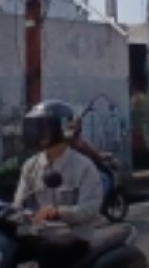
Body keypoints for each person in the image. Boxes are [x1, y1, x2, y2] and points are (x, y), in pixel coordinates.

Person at [14, 100, 103, 241]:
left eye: (43, 127)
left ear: (61, 128)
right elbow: (18, 206)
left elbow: (91, 208)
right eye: (36, 127)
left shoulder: (84, 167)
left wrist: (57, 212)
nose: (38, 133)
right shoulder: (30, 167)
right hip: (39, 238)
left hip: (75, 240)